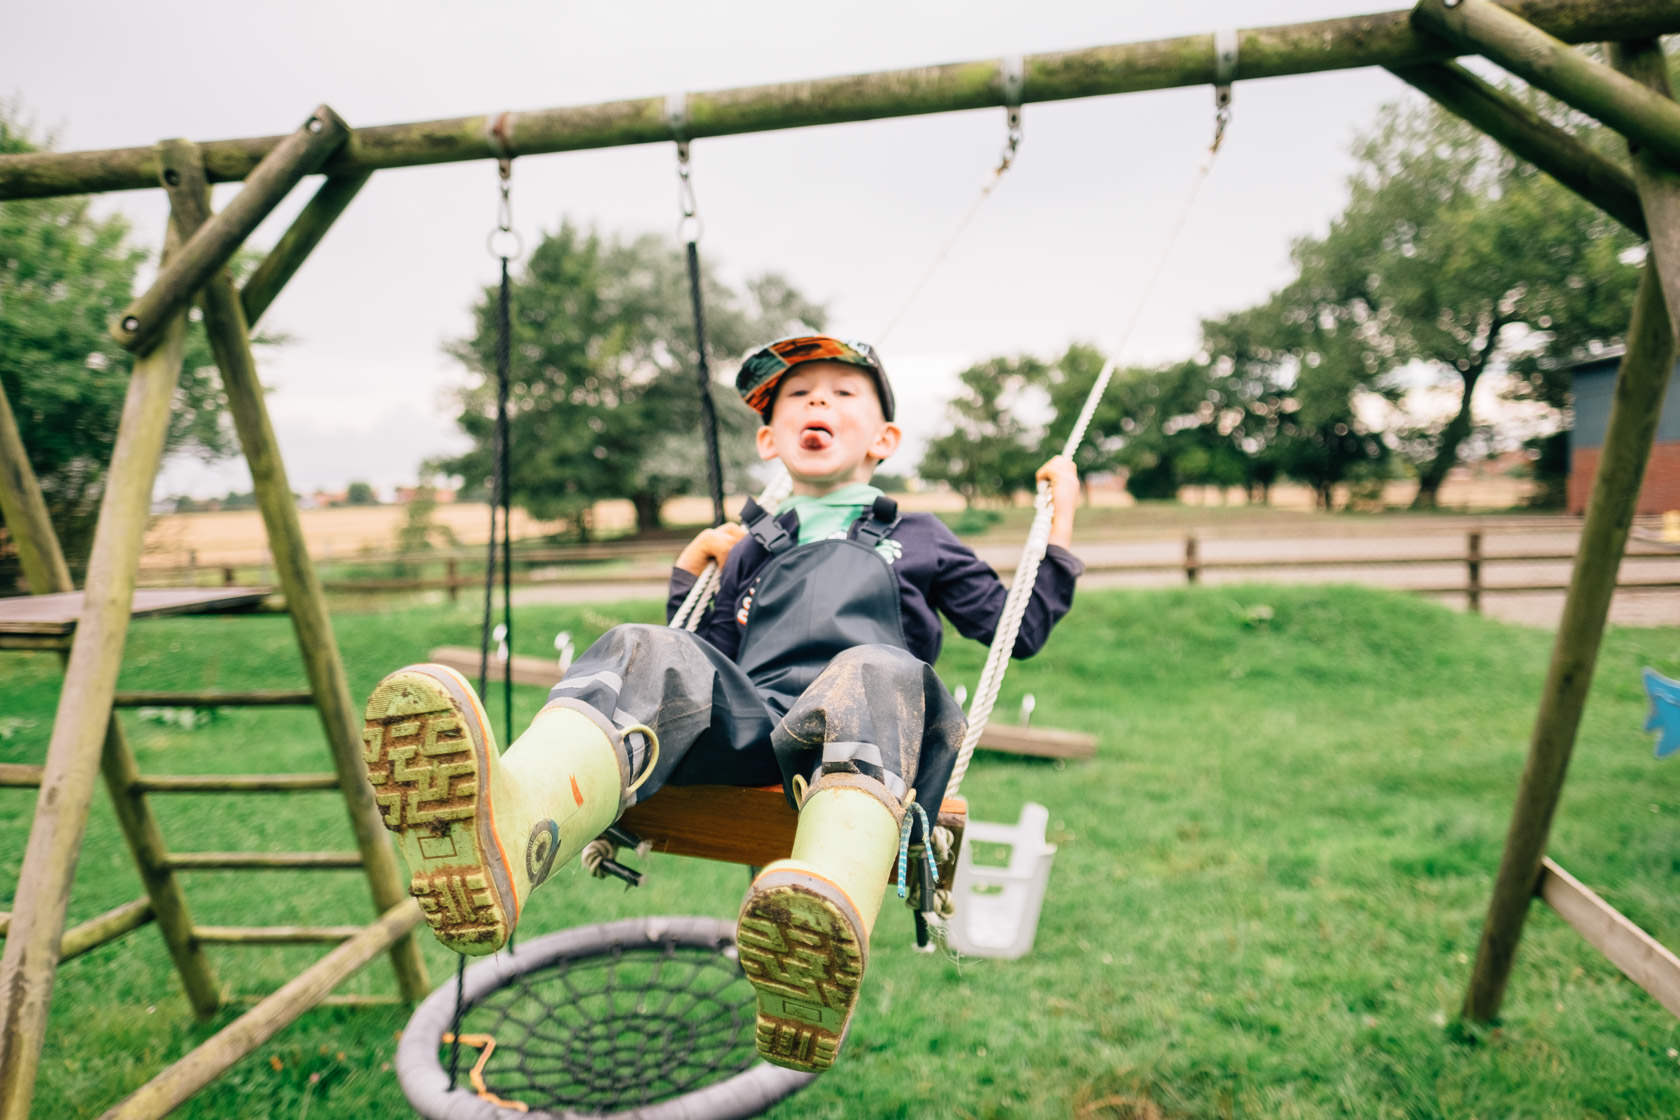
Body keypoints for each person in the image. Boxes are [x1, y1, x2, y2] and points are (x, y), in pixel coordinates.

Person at [361, 334, 1083, 1072]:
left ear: (884, 439)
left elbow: (1014, 629)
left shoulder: (920, 537)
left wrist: (1058, 526)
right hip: (762, 724)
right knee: (642, 646)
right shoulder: (753, 546)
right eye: (798, 396)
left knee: (872, 668)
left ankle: (822, 920)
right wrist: (688, 577)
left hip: (870, 742)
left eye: (841, 393)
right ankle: (508, 833)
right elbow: (701, 659)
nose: (817, 404)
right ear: (770, 439)